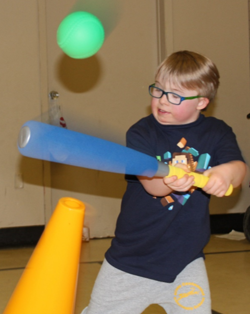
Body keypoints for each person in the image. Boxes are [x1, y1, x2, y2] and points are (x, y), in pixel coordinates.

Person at [81, 51, 246, 314]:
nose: (162, 100)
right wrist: (171, 181)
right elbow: (152, 185)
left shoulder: (217, 132)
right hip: (131, 261)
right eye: (157, 90)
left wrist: (224, 174)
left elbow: (238, 171)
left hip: (186, 261)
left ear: (201, 102)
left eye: (175, 96)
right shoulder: (141, 133)